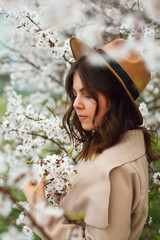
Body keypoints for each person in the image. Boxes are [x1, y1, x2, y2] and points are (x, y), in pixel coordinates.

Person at [23, 37, 156, 240]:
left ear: (116, 97)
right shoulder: (111, 145)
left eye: (88, 94)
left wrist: (39, 206)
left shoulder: (115, 170)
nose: (76, 104)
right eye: (75, 94)